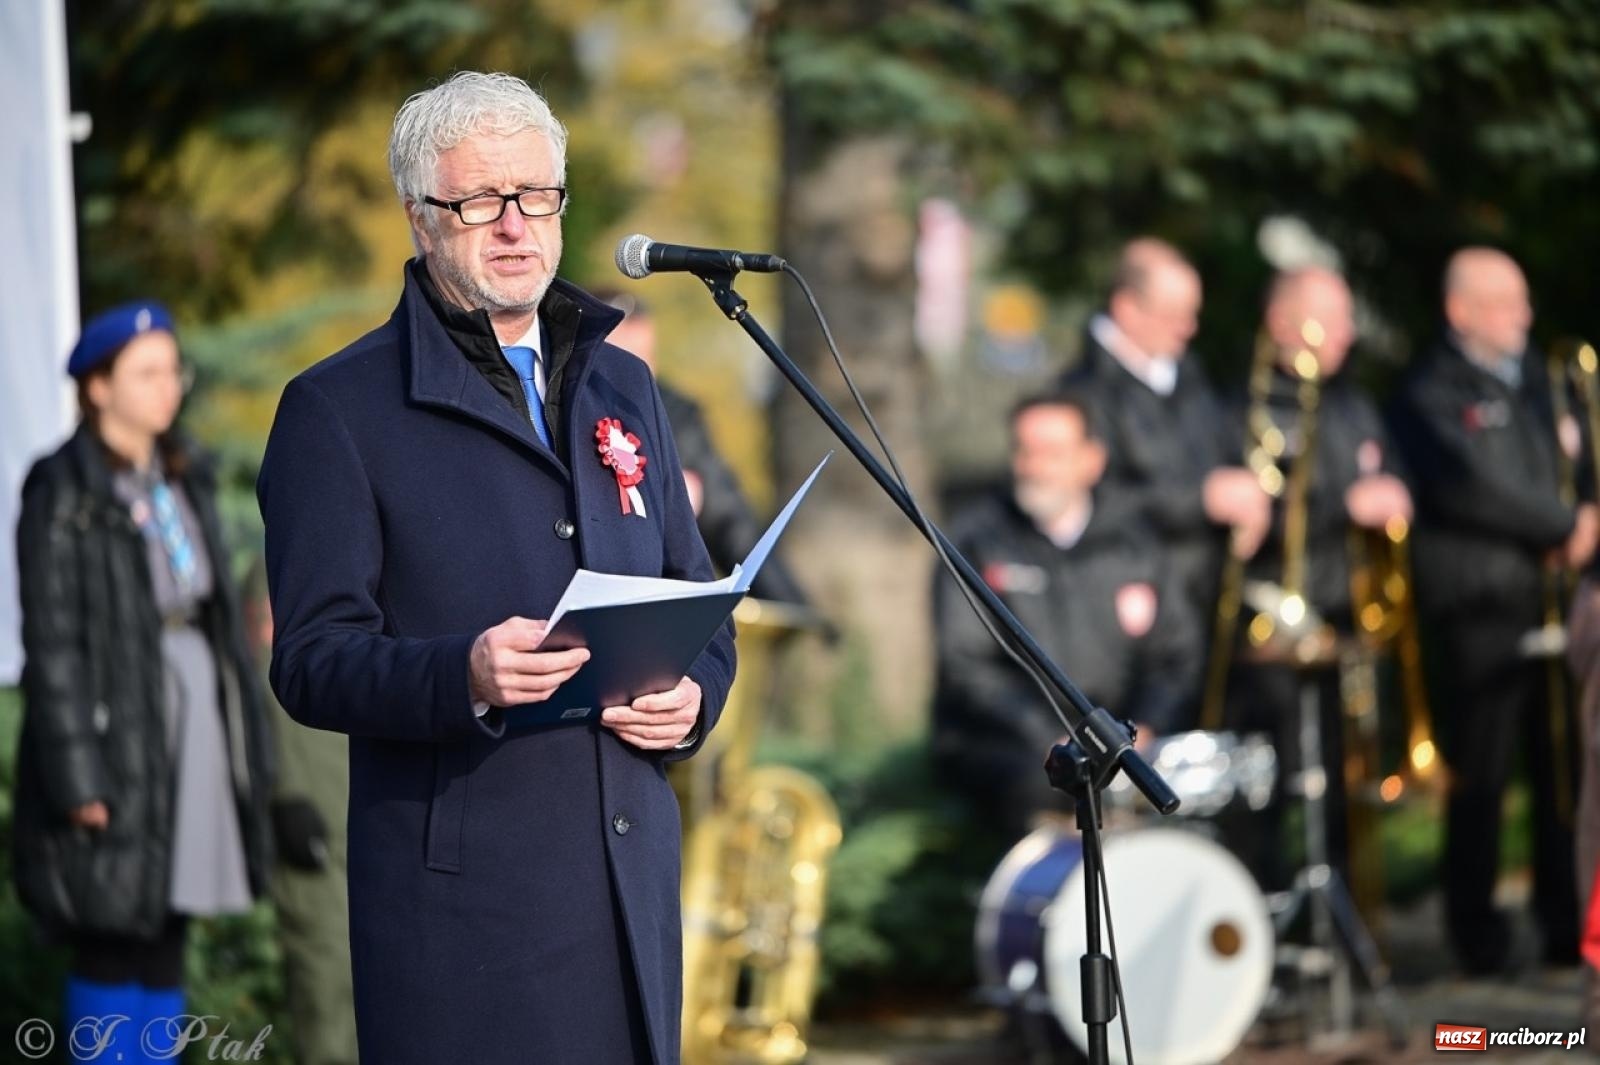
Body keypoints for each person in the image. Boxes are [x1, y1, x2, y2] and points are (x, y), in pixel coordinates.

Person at [256, 71, 735, 1064]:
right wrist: (461, 672)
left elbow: (703, 604)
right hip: (469, 927)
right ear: (419, 216)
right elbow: (310, 659)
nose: (516, 226)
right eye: (481, 201)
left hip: (630, 887)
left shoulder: (622, 382)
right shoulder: (338, 411)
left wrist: (692, 696)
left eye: (538, 196)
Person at [11, 301, 275, 1061]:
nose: (169, 388)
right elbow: (52, 640)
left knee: (170, 917)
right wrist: (78, 774)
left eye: (173, 370)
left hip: (192, 705)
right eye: (148, 372)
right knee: (112, 921)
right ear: (98, 386)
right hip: (115, 717)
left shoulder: (181, 473)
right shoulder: (61, 487)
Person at [1391, 247, 1593, 973]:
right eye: (1506, 302)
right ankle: (1476, 934)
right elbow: (1467, 485)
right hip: (1481, 603)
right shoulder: (1429, 390)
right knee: (1483, 769)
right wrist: (1561, 525)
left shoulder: (1542, 378)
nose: (1524, 316)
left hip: (1555, 595)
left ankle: (1564, 920)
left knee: (1562, 765)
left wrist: (1583, 513)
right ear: (1461, 310)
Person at [1218, 266, 1413, 891]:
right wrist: (1342, 508)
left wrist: (1394, 496)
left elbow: (1389, 480)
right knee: (1264, 792)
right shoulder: (1242, 405)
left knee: (1344, 784)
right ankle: (1262, 922)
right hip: (1265, 632)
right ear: (1283, 322)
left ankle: (1348, 921)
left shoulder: (1352, 404)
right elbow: (1248, 518)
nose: (1348, 334)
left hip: (1343, 624)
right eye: (1333, 319)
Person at [930, 392, 1203, 839]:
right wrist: (1047, 737)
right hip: (1013, 749)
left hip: (1130, 742)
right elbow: (968, 666)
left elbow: (1177, 657)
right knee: (1037, 786)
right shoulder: (977, 541)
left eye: (1052, 452)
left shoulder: (1138, 545)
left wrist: (1146, 729)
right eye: (1024, 450)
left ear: (1092, 460)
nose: (1033, 466)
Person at [1061, 238, 1271, 636]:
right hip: (1129, 612)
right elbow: (1090, 505)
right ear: (1126, 309)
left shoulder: (1189, 377)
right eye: (1175, 314)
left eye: (1193, 314)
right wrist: (1200, 500)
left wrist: (1249, 496)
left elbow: (1224, 453)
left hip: (1206, 600)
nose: (1189, 329)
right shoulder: (1081, 394)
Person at [591, 288, 812, 607]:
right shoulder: (557, 407)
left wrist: (789, 605)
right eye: (623, 356)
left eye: (645, 358)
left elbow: (728, 516)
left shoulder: (675, 412)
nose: (637, 373)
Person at [243, 563, 358, 1065]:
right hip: (307, 813)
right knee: (325, 978)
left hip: (367, 810)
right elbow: (257, 675)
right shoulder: (279, 559)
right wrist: (280, 794)